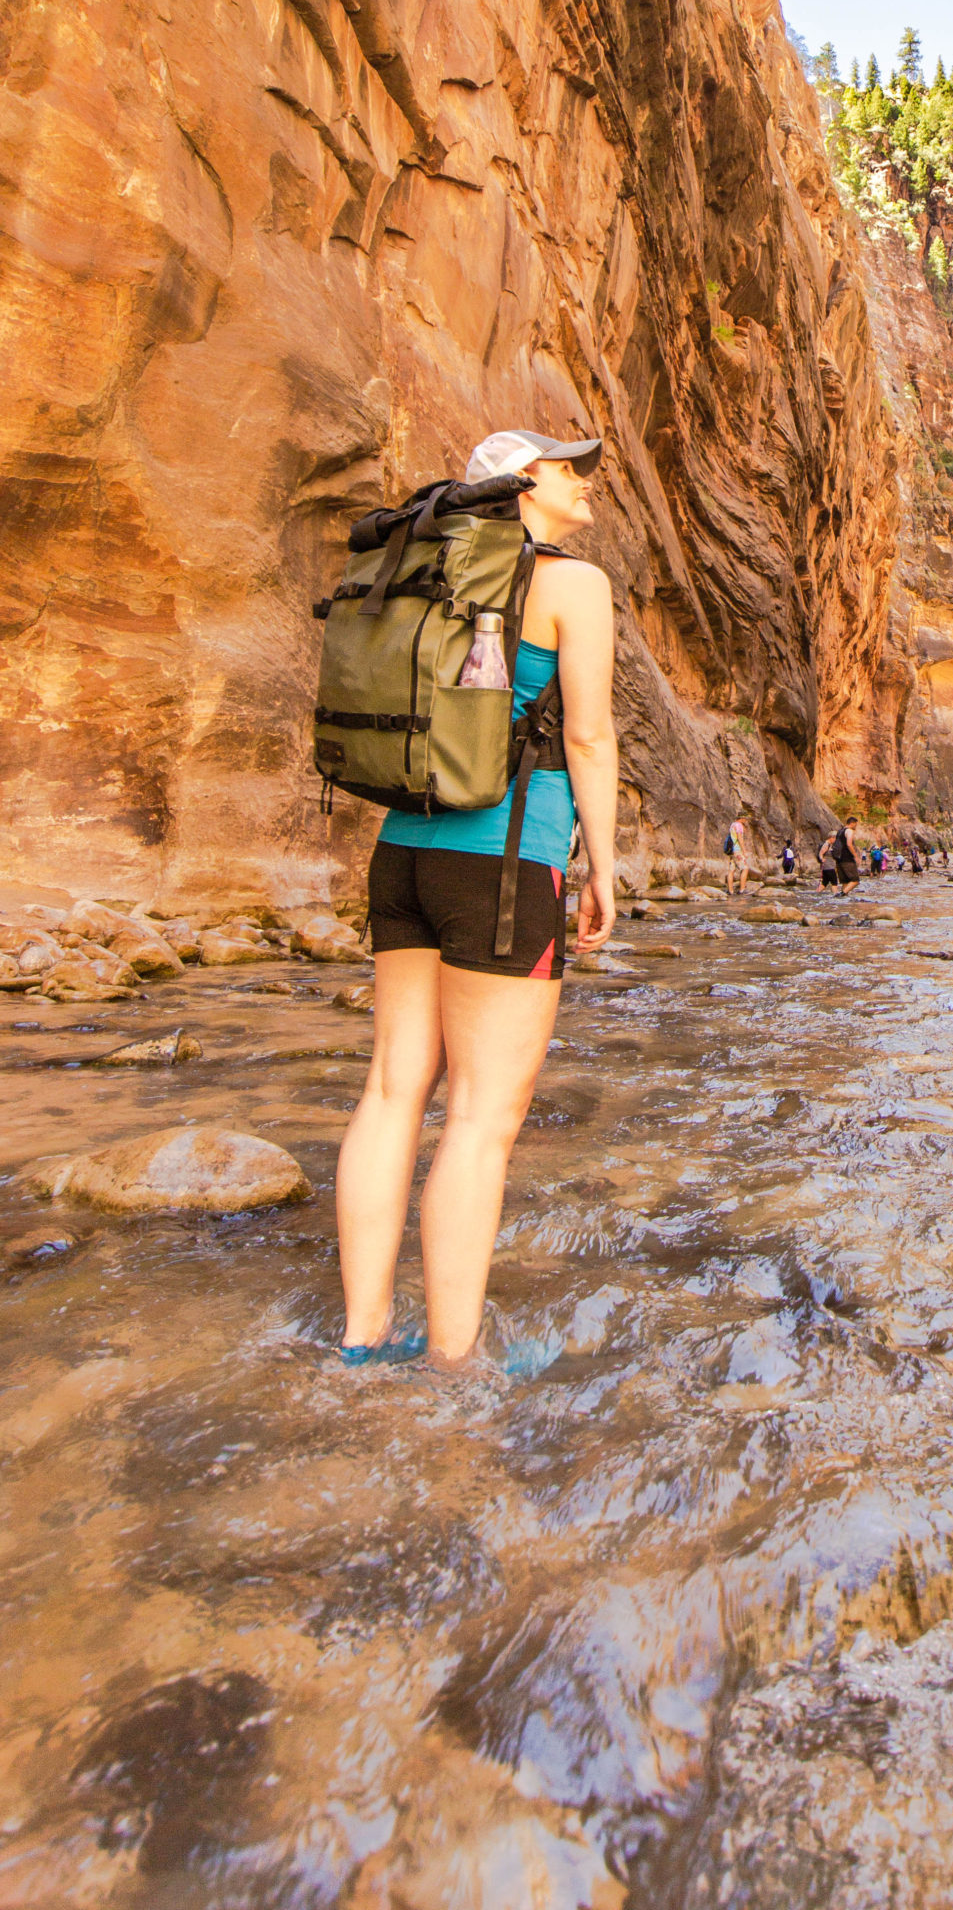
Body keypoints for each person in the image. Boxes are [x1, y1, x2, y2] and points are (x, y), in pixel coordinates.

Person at [337, 428, 616, 1368]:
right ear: (524, 483)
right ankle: (452, 1360)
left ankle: (361, 1335)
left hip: (403, 852)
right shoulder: (573, 586)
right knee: (480, 1120)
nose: (584, 485)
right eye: (569, 469)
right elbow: (588, 739)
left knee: (389, 1092)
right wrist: (602, 866)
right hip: (504, 862)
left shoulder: (429, 568)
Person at [724, 814, 750, 898]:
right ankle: (742, 890)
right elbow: (740, 839)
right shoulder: (739, 826)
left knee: (731, 869)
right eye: (745, 818)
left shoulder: (733, 825)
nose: (746, 820)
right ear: (742, 818)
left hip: (731, 851)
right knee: (745, 868)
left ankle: (730, 890)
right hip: (737, 850)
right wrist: (744, 851)